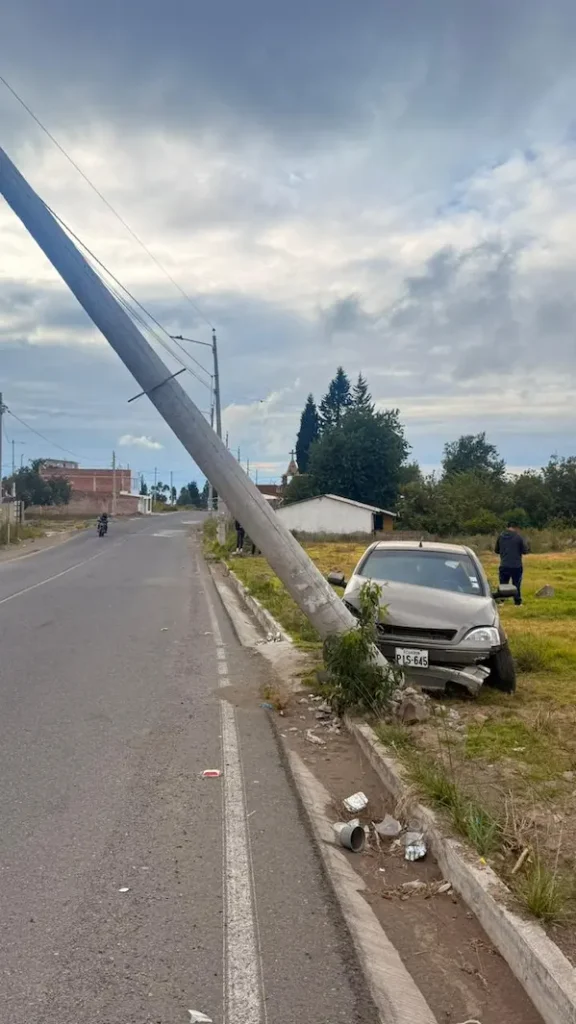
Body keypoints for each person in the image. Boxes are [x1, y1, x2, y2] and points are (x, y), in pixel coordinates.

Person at [495, 520, 529, 605]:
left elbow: (496, 550)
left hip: (504, 564)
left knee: (503, 584)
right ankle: (517, 602)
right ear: (516, 528)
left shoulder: (501, 536)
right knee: (516, 584)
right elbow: (525, 551)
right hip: (516, 565)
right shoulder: (518, 537)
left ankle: (501, 601)